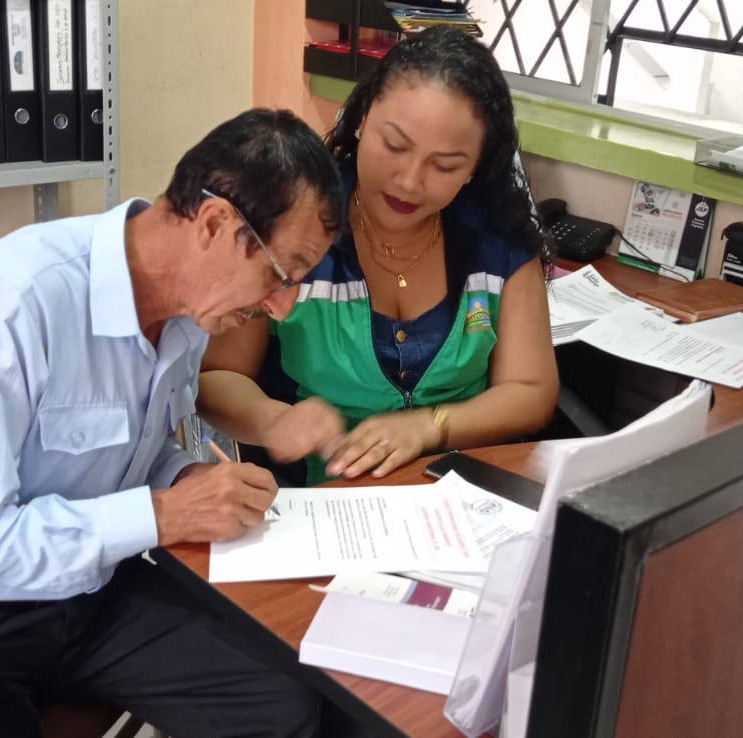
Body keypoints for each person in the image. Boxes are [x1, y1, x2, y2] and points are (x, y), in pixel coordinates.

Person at [0, 108, 344, 738]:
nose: (283, 305)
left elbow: (130, 447)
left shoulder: (191, 314)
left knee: (286, 702)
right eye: (281, 274)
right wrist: (165, 515)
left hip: (90, 593)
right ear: (215, 224)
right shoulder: (15, 296)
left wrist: (184, 476)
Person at [197, 27, 560, 484]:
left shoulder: (499, 238)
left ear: (475, 166)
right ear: (362, 118)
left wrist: (430, 427)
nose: (409, 181)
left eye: (445, 165)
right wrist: (275, 421)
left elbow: (531, 390)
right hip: (323, 493)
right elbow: (216, 376)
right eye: (394, 145)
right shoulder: (291, 222)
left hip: (462, 497)